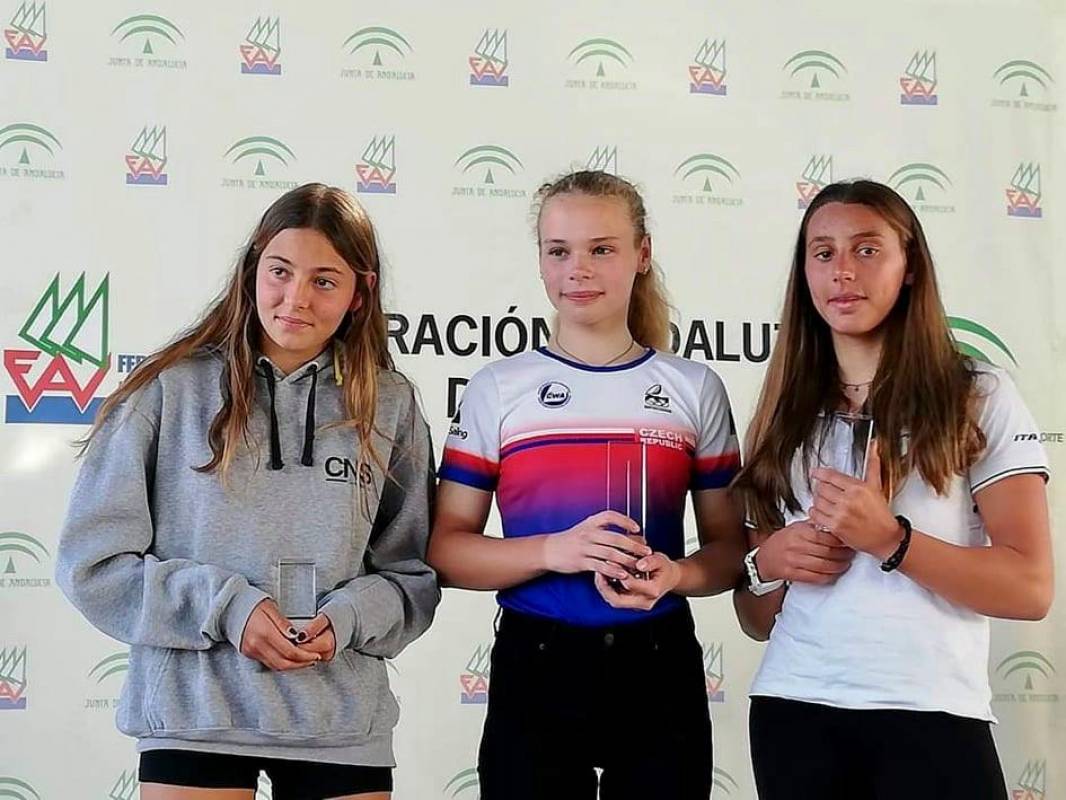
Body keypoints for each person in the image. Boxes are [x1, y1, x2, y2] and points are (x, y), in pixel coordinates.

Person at [55, 183, 439, 800]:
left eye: (324, 280)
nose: (296, 298)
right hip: (193, 719)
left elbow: (413, 577)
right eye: (280, 271)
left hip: (340, 722)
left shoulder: (389, 405)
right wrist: (228, 608)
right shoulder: (169, 389)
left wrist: (346, 619)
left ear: (359, 293)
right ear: (252, 268)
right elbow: (93, 566)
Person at [429, 170, 746, 800]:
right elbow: (445, 551)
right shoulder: (498, 388)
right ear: (540, 261)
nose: (578, 269)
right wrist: (555, 550)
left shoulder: (694, 389)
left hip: (659, 663)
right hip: (536, 660)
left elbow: (733, 552)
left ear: (642, 255)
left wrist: (676, 575)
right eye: (559, 250)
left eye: (601, 249)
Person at [732, 179, 1053, 800]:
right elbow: (755, 620)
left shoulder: (977, 394)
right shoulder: (780, 412)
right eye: (823, 252)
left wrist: (890, 541)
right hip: (794, 713)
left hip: (933, 712)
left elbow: (1030, 588)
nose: (842, 271)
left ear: (910, 268)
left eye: (867, 249)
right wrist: (767, 565)